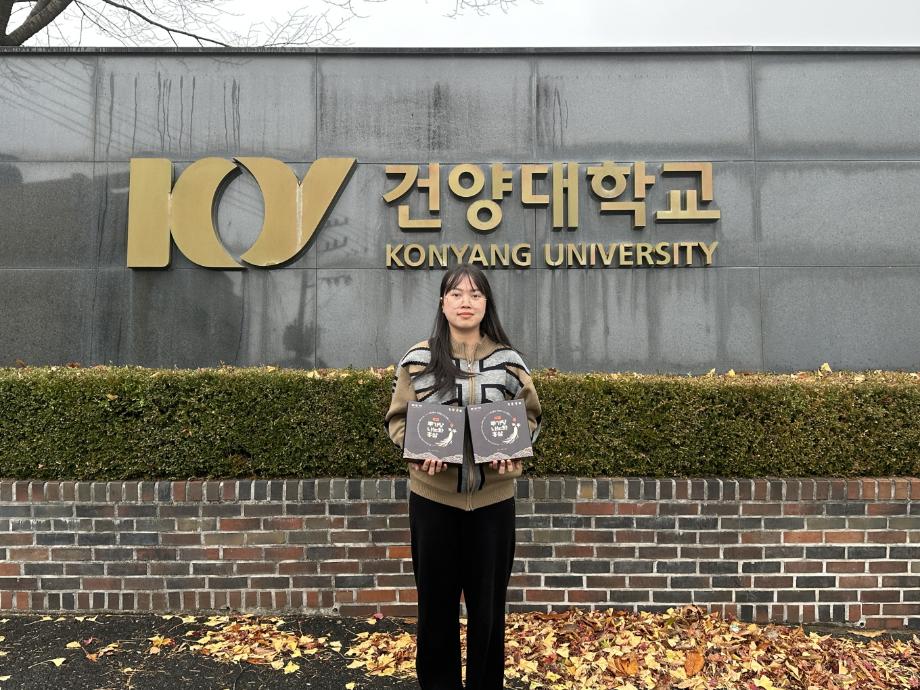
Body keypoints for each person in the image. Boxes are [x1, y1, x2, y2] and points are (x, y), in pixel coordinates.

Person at [384, 264, 542, 690]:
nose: (465, 302)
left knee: (488, 611)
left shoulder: (509, 363)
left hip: (493, 505)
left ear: (486, 303)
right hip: (433, 503)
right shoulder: (418, 360)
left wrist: (514, 453)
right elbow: (398, 420)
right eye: (456, 294)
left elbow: (530, 418)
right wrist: (418, 453)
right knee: (435, 610)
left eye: (474, 294)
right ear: (443, 303)